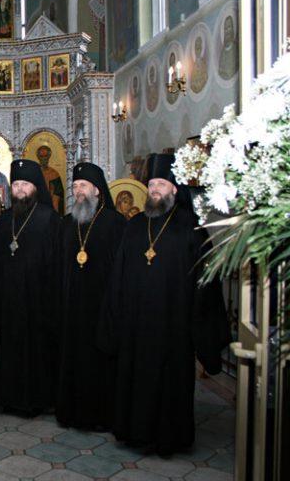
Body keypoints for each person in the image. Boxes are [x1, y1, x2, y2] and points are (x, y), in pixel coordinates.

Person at [97, 154, 230, 454]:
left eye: (161, 184)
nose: (155, 189)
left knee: (171, 383)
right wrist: (113, 319)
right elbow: (117, 276)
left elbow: (206, 282)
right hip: (135, 325)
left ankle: (170, 437)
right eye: (152, 184)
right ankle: (134, 432)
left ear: (174, 189)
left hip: (174, 324)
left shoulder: (191, 228)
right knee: (135, 380)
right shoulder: (134, 227)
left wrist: (203, 332)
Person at [56, 162, 126, 429]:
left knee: (99, 362)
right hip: (71, 306)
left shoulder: (115, 223)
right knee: (72, 359)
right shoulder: (67, 223)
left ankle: (100, 416)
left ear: (97, 190)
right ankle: (71, 412)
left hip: (101, 307)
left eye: (83, 186)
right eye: (75, 186)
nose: (78, 191)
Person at [0, 160, 61, 414]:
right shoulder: (6, 218)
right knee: (9, 347)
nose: (20, 189)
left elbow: (56, 262)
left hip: (37, 299)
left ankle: (37, 399)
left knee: (36, 349)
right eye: (16, 184)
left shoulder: (49, 218)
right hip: (9, 298)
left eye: (25, 184)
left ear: (36, 187)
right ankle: (8, 397)